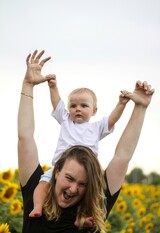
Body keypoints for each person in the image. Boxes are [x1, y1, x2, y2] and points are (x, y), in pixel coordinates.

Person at [18, 50, 154, 233]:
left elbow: (122, 157)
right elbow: (26, 138)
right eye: (69, 178)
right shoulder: (37, 191)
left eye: (83, 184)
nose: (73, 189)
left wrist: (140, 107)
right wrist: (28, 85)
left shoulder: (97, 205)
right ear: (56, 171)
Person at [29, 66, 130, 221]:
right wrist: (53, 87)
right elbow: (57, 103)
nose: (77, 109)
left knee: (93, 193)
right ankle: (37, 206)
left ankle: (83, 218)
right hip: (59, 168)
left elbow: (112, 119)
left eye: (84, 106)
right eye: (73, 106)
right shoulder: (66, 121)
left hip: (87, 172)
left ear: (94, 110)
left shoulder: (96, 128)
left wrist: (121, 104)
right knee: (42, 184)